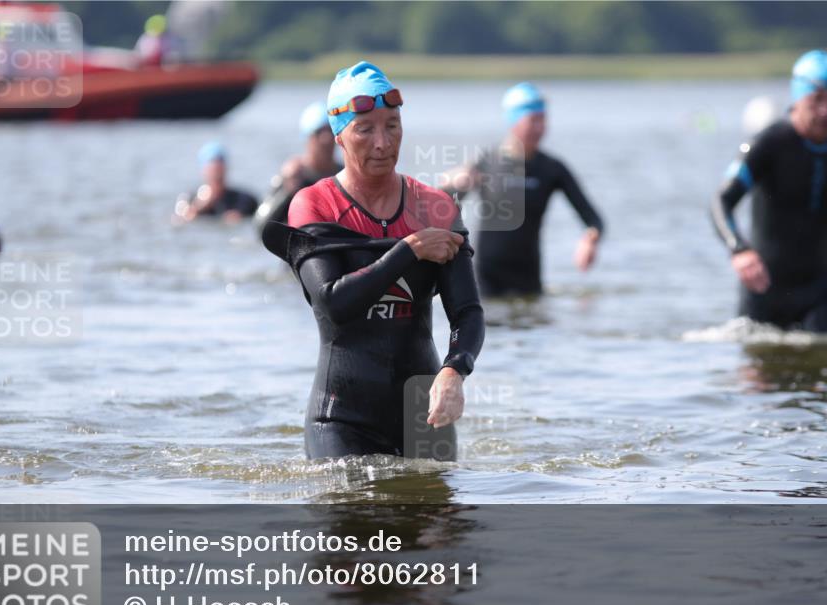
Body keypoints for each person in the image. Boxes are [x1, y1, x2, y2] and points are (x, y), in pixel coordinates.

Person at [275, 61, 485, 460]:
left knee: (446, 522)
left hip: (425, 418)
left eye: (391, 125)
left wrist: (455, 370)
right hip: (340, 421)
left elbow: (468, 312)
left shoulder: (436, 208)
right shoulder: (314, 204)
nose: (382, 142)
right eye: (365, 129)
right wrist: (409, 250)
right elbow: (334, 303)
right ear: (339, 136)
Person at [709, 50, 827, 334]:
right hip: (765, 286)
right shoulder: (768, 144)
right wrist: (738, 249)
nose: (826, 111)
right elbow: (721, 200)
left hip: (821, 290)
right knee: (755, 376)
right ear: (797, 98)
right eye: (817, 100)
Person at [440, 82, 605, 297]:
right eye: (533, 121)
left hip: (529, 278)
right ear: (514, 122)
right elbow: (441, 206)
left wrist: (589, 239)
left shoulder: (552, 169)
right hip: (486, 278)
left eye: (543, 120)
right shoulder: (486, 162)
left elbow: (593, 219)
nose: (539, 128)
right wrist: (449, 185)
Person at [255, 101, 342, 225]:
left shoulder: (345, 176)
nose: (326, 139)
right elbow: (260, 226)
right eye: (319, 132)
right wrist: (288, 190)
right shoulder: (292, 175)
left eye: (330, 131)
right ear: (307, 138)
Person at [175, 141, 258, 223]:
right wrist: (201, 206)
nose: (216, 172)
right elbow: (180, 220)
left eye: (219, 168)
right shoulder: (188, 199)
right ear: (203, 170)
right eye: (212, 168)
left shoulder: (244, 200)